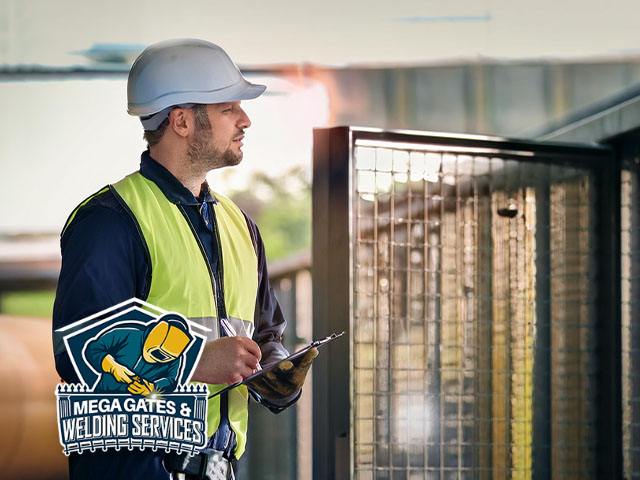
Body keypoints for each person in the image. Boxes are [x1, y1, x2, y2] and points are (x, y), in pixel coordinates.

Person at [52, 38, 316, 480]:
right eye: (229, 107)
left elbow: (265, 330)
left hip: (219, 469)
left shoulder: (240, 226)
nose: (245, 120)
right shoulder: (110, 222)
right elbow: (79, 352)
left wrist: (274, 368)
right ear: (181, 121)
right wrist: (195, 361)